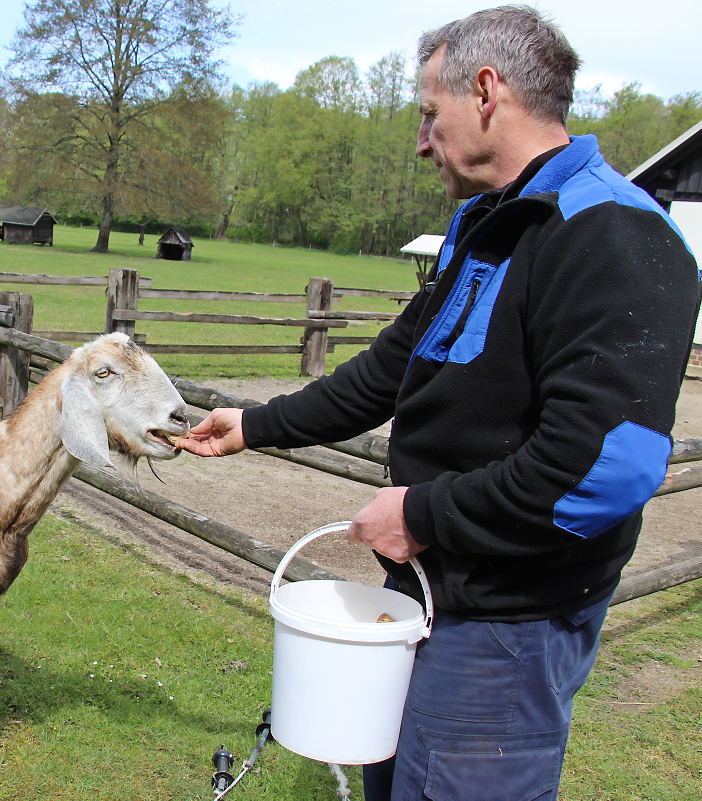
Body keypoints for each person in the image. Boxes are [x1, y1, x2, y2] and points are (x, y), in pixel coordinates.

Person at [177, 5, 699, 799]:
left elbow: (603, 469)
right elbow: (396, 365)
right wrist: (255, 424)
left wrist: (422, 515)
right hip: (428, 593)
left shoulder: (614, 235)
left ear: (486, 91)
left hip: (508, 625)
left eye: (429, 113)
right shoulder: (482, 224)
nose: (421, 141)